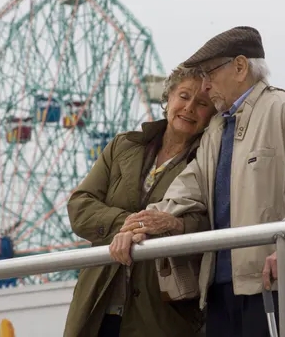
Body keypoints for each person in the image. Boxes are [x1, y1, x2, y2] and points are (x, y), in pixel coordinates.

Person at [120, 26, 285, 337]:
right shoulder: (216, 130)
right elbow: (188, 189)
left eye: (209, 73)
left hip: (272, 285)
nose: (204, 86)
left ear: (240, 67)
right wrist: (141, 224)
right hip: (217, 294)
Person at [63, 64, 217, 337]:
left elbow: (210, 223)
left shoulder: (208, 161)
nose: (190, 108)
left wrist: (172, 225)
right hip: (98, 304)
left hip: (160, 314)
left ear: (212, 114)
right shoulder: (122, 146)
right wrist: (133, 225)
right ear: (168, 98)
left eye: (202, 103)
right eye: (183, 96)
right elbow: (80, 205)